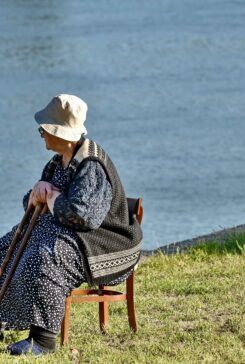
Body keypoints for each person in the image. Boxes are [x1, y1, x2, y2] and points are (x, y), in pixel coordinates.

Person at [0, 94, 142, 356]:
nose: (40, 133)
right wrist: (36, 193)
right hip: (74, 234)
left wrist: (52, 197)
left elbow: (85, 218)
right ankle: (4, 319)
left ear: (60, 133)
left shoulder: (91, 166)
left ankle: (42, 340)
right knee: (7, 244)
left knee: (45, 258)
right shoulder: (58, 161)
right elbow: (36, 206)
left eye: (44, 129)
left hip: (106, 242)